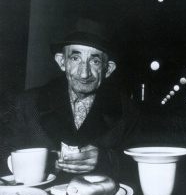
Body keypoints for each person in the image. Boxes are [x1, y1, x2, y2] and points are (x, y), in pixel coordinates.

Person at [8, 19, 138, 179]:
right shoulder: (25, 104)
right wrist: (41, 163)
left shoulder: (127, 111)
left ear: (108, 69)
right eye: (75, 59)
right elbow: (5, 156)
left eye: (95, 61)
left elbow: (138, 166)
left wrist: (105, 160)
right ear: (62, 62)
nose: (84, 73)